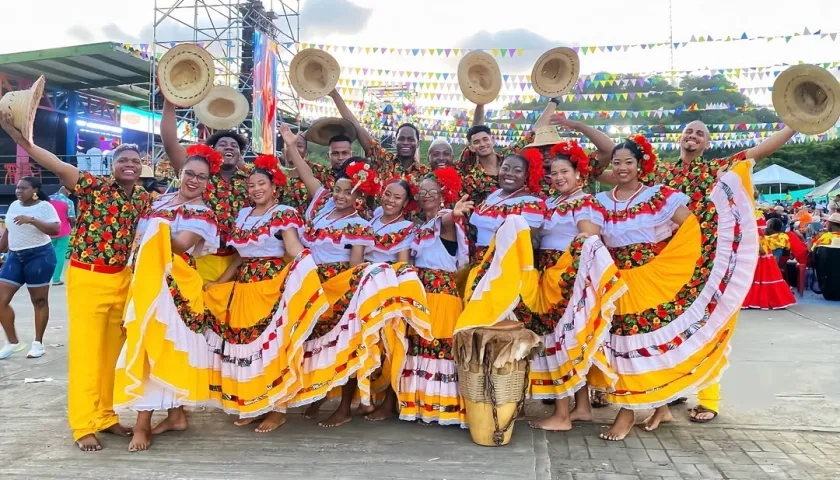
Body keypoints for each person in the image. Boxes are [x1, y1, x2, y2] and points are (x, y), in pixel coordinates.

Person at [590, 135, 756, 440]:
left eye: (628, 162)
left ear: (641, 166)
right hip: (616, 280)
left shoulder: (659, 196)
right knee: (619, 346)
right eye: (616, 163)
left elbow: (693, 226)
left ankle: (626, 415)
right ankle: (662, 407)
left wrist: (669, 259)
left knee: (633, 347)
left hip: (651, 279)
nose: (622, 168)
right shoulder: (600, 201)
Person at [2, 111, 149, 451]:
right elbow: (56, 164)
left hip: (122, 280)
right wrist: (26, 143)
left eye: (135, 160)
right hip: (88, 276)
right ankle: (83, 424)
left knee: (112, 354)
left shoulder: (142, 198)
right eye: (123, 160)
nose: (130, 164)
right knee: (86, 353)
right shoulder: (93, 186)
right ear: (112, 166)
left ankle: (106, 415)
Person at [279, 124, 415, 428]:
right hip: (311, 281)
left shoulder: (360, 226)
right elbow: (307, 175)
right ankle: (317, 393)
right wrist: (290, 145)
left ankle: (344, 405)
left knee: (345, 343)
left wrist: (345, 296)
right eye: (338, 189)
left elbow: (355, 266)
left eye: (347, 192)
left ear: (359, 198)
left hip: (340, 287)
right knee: (312, 341)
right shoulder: (324, 206)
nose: (340, 195)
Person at [202, 153, 328, 433]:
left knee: (272, 347)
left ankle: (277, 408)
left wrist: (309, 273)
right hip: (244, 287)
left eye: (262, 183)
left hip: (271, 284)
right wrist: (220, 283)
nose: (256, 189)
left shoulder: (283, 213)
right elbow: (238, 257)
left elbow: (293, 249)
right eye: (251, 185)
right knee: (244, 347)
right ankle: (252, 403)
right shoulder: (243, 215)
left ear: (274, 187)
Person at [113, 145, 220, 452]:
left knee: (155, 348)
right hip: (146, 282)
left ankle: (142, 425)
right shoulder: (160, 202)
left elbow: (179, 245)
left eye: (202, 177)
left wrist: (159, 227)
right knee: (154, 346)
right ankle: (175, 416)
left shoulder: (203, 214)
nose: (194, 181)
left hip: (174, 289)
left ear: (207, 182)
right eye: (190, 174)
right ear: (179, 173)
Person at [513, 143, 625, 432]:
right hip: (550, 271)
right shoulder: (551, 203)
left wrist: (564, 273)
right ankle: (582, 408)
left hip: (566, 276)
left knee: (559, 341)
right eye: (553, 173)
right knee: (563, 340)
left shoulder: (584, 202)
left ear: (579, 175)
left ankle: (562, 415)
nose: (558, 177)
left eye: (565, 171)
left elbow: (589, 238)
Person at [397, 167, 472, 427]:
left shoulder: (443, 219)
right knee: (420, 346)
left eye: (433, 191)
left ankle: (443, 408)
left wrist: (454, 212)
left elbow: (448, 220)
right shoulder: (419, 227)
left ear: (443, 195)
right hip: (422, 293)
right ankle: (421, 407)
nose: (427, 195)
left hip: (441, 294)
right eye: (423, 191)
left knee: (438, 348)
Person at [161, 99, 251, 284]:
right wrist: (169, 103)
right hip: (199, 256)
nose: (228, 147)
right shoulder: (200, 174)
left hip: (238, 261)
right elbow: (170, 145)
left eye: (234, 146)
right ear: (211, 151)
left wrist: (244, 167)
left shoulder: (251, 182)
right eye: (223, 144)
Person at [0, 177, 60, 360]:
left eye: (23, 188)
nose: (19, 191)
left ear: (34, 190)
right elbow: (9, 232)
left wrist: (32, 220)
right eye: (18, 188)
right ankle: (12, 342)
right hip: (15, 257)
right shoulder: (14, 206)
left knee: (39, 301)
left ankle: (38, 344)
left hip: (40, 256)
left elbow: (55, 229)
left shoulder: (44, 207)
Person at [743, 218, 796, 310]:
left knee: (759, 278)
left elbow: (757, 235)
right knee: (766, 277)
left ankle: (757, 300)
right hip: (765, 255)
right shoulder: (781, 236)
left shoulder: (754, 217)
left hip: (763, 254)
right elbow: (757, 236)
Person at [48, 186, 76, 285]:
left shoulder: (48, 199)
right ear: (68, 192)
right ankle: (56, 279)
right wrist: (73, 226)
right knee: (60, 255)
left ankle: (45, 277)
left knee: (47, 255)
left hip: (48, 231)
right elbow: (71, 218)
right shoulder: (68, 202)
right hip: (63, 231)